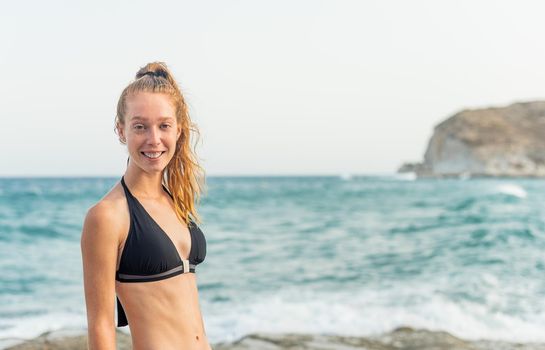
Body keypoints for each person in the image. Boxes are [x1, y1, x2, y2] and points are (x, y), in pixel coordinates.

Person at [80, 62, 210, 349]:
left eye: (164, 125)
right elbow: (101, 325)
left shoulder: (175, 200)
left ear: (178, 130)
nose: (154, 140)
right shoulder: (107, 216)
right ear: (121, 130)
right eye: (140, 126)